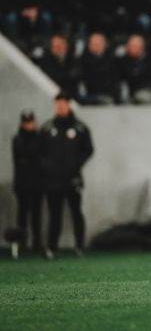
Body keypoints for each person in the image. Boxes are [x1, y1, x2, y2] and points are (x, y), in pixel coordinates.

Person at [40, 91, 94, 259]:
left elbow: (88, 149)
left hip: (73, 178)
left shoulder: (80, 128)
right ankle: (52, 247)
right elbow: (40, 152)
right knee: (54, 215)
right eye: (58, 104)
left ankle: (79, 246)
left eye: (63, 103)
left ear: (69, 104)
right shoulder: (47, 128)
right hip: (53, 180)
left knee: (76, 213)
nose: (61, 107)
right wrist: (48, 167)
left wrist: (76, 164)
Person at [12, 110, 43, 252]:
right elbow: (23, 157)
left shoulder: (39, 137)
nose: (29, 125)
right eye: (26, 122)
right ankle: (22, 243)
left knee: (36, 215)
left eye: (30, 122)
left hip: (37, 183)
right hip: (23, 183)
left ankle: (37, 243)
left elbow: (37, 157)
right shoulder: (17, 139)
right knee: (22, 215)